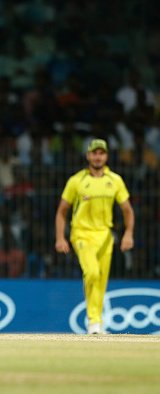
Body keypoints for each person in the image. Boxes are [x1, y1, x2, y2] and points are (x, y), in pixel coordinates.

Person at [55, 139, 134, 335]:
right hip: (82, 234)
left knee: (101, 280)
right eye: (94, 153)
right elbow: (61, 211)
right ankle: (94, 321)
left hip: (105, 237)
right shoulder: (76, 181)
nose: (98, 157)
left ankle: (95, 323)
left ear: (106, 156)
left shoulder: (115, 180)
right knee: (92, 273)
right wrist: (60, 237)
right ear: (88, 156)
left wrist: (128, 233)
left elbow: (128, 210)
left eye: (102, 153)